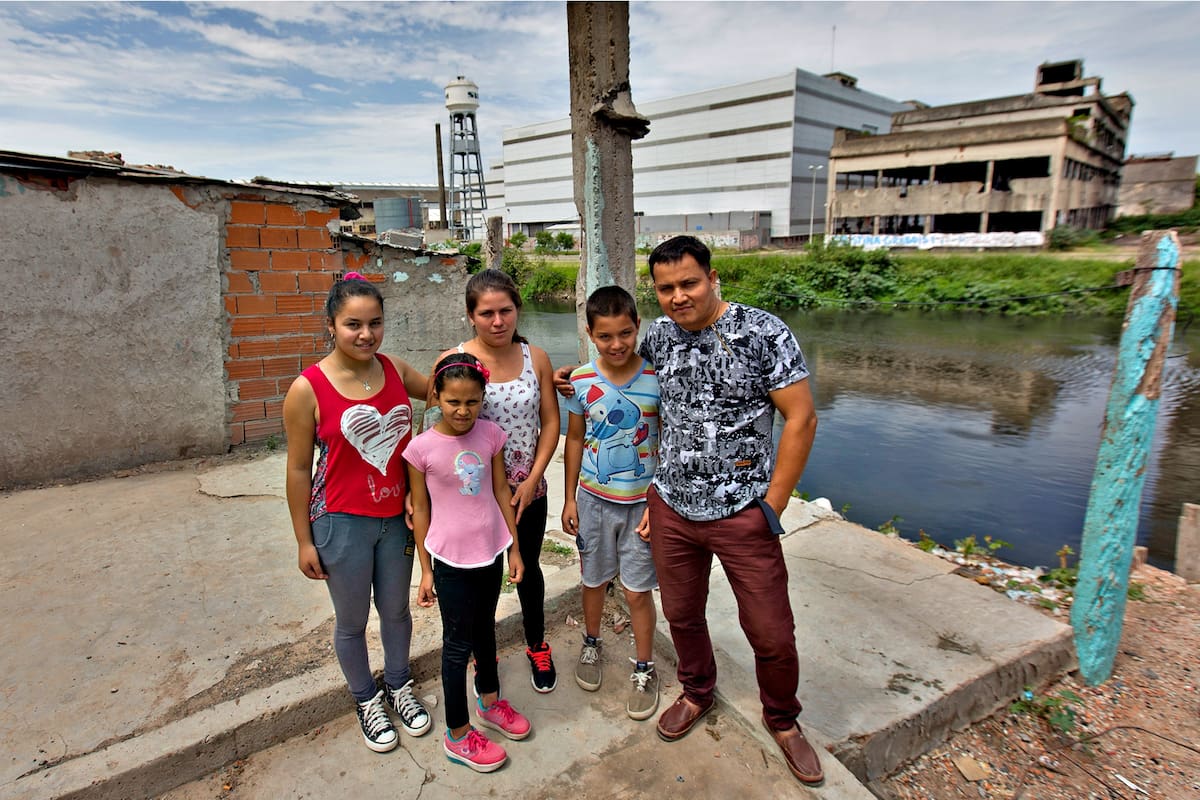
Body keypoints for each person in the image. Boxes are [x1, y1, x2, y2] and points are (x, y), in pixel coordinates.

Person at [283, 272, 432, 754]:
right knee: (351, 621)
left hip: (396, 521)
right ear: (331, 325)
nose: (366, 334)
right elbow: (299, 470)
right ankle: (366, 698)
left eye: (375, 323)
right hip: (338, 522)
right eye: (353, 324)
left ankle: (398, 684)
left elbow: (451, 392)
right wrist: (304, 540)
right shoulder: (306, 389)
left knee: (396, 611)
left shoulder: (395, 370)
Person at [431, 269, 561, 693]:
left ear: (517, 310)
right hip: (475, 496)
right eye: (486, 313)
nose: (498, 321)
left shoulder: (535, 357)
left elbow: (550, 422)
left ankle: (536, 643)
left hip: (528, 490)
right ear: (471, 315)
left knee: (529, 569)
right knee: (480, 583)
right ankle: (481, 657)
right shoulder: (454, 362)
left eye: (506, 310)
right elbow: (436, 430)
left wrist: (535, 477)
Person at [404, 353, 531, 773]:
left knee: (485, 631)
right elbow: (420, 510)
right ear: (436, 396)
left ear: (483, 399)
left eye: (472, 402)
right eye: (453, 402)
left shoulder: (492, 434)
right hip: (450, 560)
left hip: (490, 550)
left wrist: (513, 547)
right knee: (457, 644)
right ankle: (457, 735)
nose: (463, 411)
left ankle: (490, 701)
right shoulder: (421, 449)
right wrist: (425, 570)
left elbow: (499, 490)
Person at [560, 286, 661, 721]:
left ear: (638, 326)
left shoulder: (658, 379)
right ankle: (591, 643)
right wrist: (568, 498)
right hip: (593, 501)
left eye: (625, 333)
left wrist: (659, 505)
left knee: (638, 591)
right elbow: (576, 439)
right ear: (590, 334)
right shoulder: (580, 379)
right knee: (593, 581)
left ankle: (644, 666)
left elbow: (670, 443)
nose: (617, 344)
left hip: (642, 507)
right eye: (605, 336)